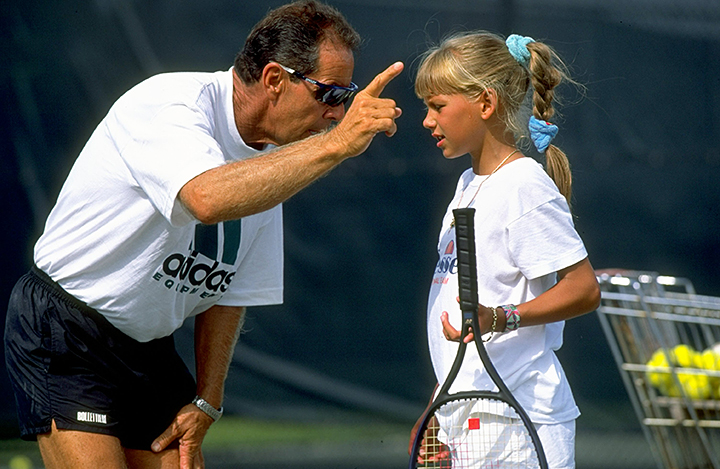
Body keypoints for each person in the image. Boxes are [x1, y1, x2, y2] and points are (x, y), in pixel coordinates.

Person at [4, 1, 404, 468]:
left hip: (146, 348)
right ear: (275, 79)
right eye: (331, 95)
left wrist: (208, 401)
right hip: (65, 328)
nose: (337, 115)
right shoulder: (169, 103)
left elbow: (229, 289)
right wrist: (336, 146)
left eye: (346, 97)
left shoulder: (270, 161)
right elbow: (206, 199)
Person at [408, 31, 601, 468]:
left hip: (519, 420)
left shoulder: (524, 185)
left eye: (437, 106)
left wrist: (502, 317)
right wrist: (438, 407)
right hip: (471, 419)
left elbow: (584, 289)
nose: (427, 120)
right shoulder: (467, 186)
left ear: (486, 104)